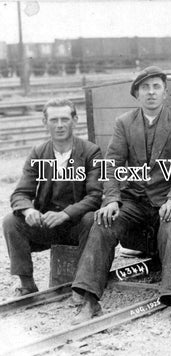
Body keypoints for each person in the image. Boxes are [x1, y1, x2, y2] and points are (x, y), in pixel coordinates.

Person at [72, 66, 171, 325]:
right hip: (134, 200)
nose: (151, 92)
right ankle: (89, 300)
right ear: (137, 94)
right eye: (145, 88)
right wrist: (111, 200)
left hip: (166, 200)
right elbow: (111, 165)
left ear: (165, 93)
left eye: (156, 87)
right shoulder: (124, 123)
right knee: (102, 221)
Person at [3, 98, 102, 296]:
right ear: (45, 123)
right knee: (11, 221)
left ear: (75, 120)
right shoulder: (39, 153)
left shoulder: (91, 152)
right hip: (47, 225)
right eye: (54, 120)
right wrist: (28, 209)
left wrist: (66, 214)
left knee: (92, 219)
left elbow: (95, 196)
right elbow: (20, 193)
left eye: (65, 119)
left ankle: (82, 284)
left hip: (76, 225)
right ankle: (27, 284)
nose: (59, 125)